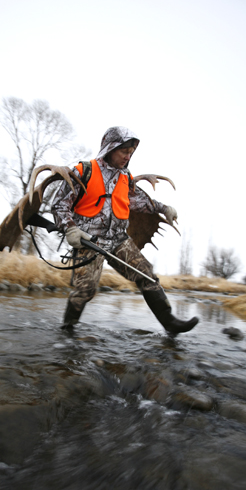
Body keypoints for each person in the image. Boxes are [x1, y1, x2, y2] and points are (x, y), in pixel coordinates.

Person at [52, 126, 198, 335]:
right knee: (85, 290)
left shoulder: (125, 177)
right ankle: (67, 329)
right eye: (124, 152)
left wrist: (164, 208)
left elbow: (140, 202)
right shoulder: (84, 171)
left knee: (146, 275)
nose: (127, 156)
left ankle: (170, 323)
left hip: (119, 240)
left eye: (131, 153)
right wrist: (70, 229)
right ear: (110, 148)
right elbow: (59, 205)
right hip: (88, 240)